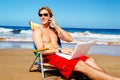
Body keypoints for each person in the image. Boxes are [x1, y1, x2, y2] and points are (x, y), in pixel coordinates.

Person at [32, 6, 120, 80]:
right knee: (80, 64)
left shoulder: (55, 30)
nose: (42, 17)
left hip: (61, 54)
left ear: (50, 17)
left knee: (90, 60)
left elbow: (70, 39)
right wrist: (59, 50)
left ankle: (107, 77)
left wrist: (56, 26)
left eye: (45, 14)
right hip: (50, 57)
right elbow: (41, 51)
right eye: (40, 15)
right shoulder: (38, 31)